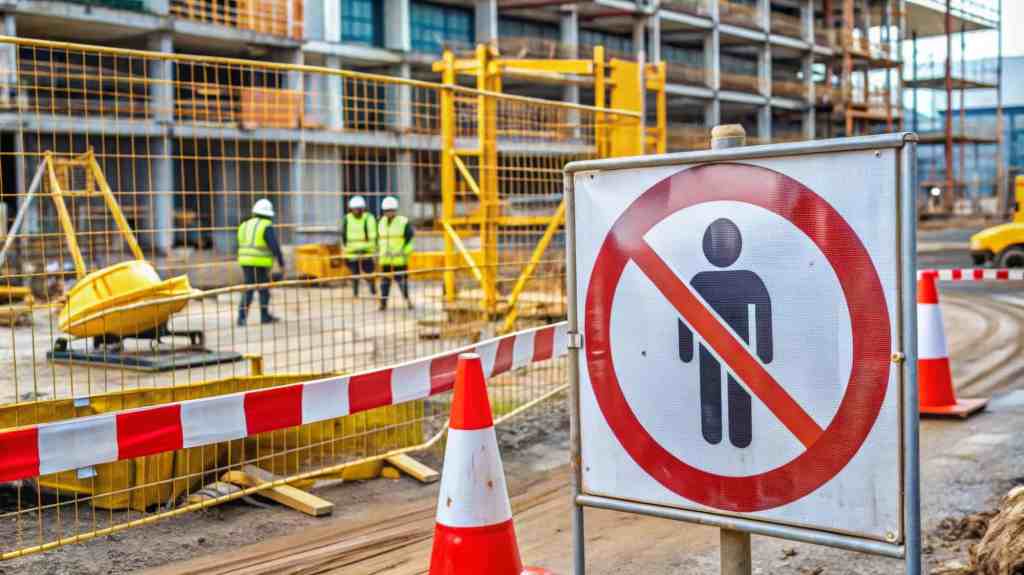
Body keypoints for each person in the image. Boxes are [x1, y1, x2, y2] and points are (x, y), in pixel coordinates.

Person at [678, 218, 772, 449]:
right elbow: (763, 313)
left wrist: (687, 351)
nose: (722, 245)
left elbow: (763, 313)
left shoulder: (701, 281)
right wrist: (764, 351)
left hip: (725, 353)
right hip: (732, 353)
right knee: (720, 394)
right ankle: (725, 437)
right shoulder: (748, 280)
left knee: (728, 395)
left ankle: (727, 437)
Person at [237, 198, 284, 326]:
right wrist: (281, 263)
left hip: (245, 261)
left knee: (249, 289)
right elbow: (274, 246)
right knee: (263, 290)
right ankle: (264, 316)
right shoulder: (265, 225)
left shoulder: (244, 224)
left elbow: (240, 243)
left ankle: (241, 318)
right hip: (260, 262)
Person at [377, 196, 415, 310]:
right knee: (384, 283)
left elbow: (410, 241)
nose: (389, 213)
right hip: (385, 259)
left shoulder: (403, 222)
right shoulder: (380, 222)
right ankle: (383, 303)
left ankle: (407, 300)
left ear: (395, 210)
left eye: (391, 210)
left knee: (402, 281)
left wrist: (404, 253)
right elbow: (379, 239)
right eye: (387, 211)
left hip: (399, 259)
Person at [340, 195, 378, 297]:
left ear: (363, 208)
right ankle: (355, 293)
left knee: (369, 272)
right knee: (354, 273)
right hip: (352, 252)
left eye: (358, 208)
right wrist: (345, 248)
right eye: (354, 209)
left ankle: (373, 289)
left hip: (366, 251)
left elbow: (373, 236)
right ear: (351, 209)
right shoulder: (347, 219)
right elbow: (344, 235)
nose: (356, 211)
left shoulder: (369, 218)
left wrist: (367, 248)